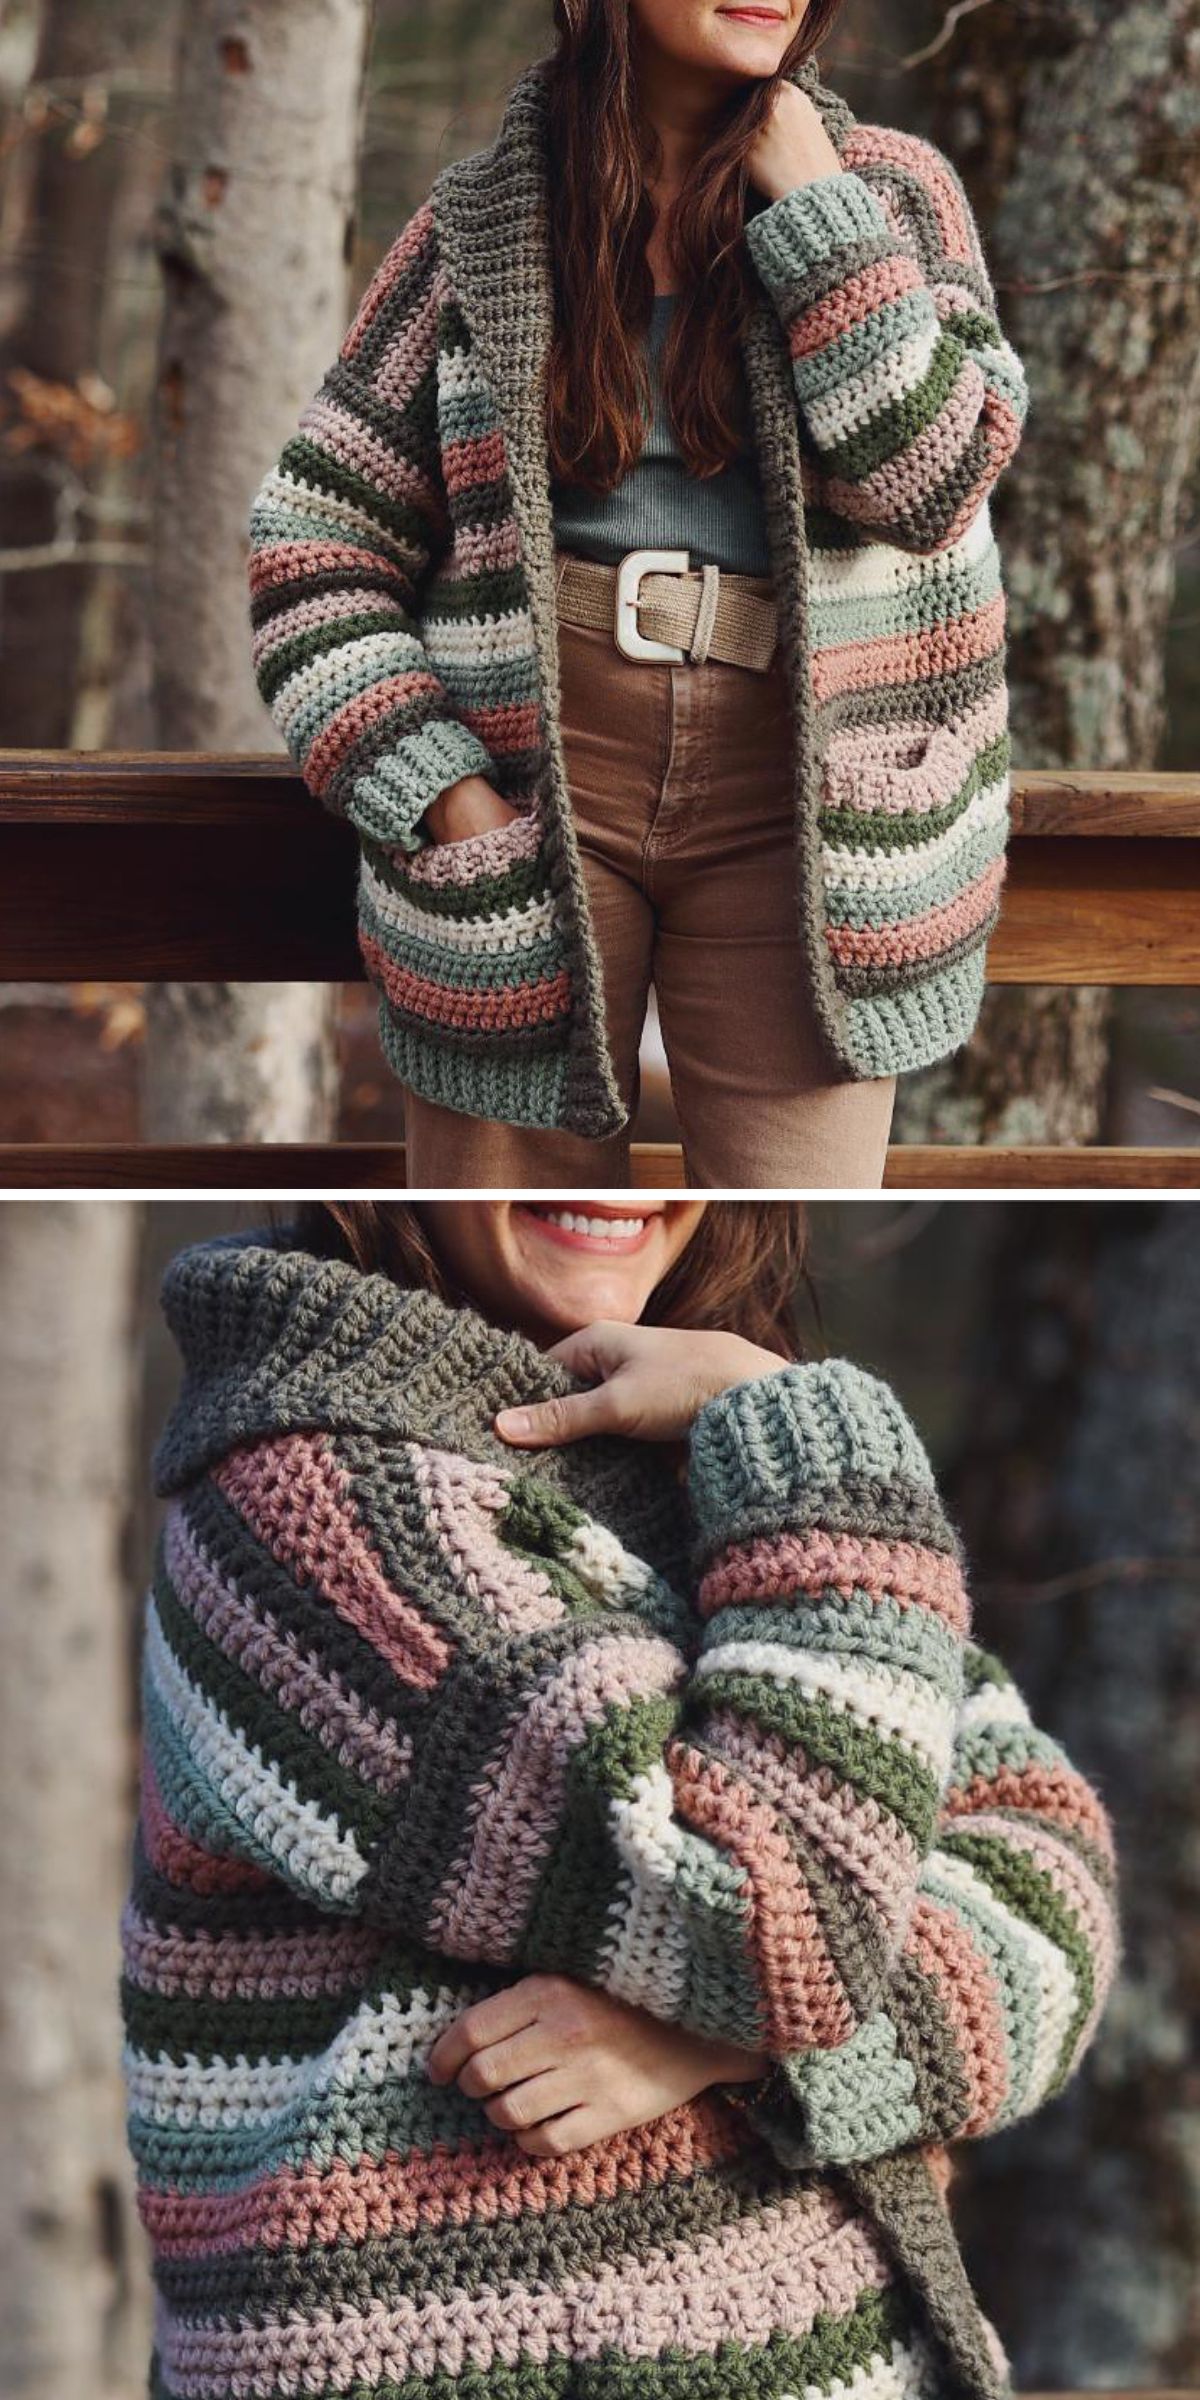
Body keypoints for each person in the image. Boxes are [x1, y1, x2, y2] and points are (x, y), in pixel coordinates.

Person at [122, 1199, 1118, 2400]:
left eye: (657, 1106)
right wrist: (811, 1427)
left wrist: (731, 2049)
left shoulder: (704, 1462)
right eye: (551, 1079)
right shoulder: (318, 1506)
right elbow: (774, 1918)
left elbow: (1050, 1882)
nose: (614, 1160)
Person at [246, 1, 1028, 1189]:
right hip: (531, 794)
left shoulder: (893, 193)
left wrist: (821, 215)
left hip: (812, 808)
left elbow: (931, 485)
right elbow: (314, 541)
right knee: (498, 1253)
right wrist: (441, 793)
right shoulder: (480, 226)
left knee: (780, 1232)